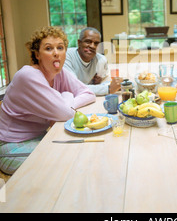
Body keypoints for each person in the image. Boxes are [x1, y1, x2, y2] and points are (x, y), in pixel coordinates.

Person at [0, 26, 96, 175]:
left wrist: (66, 99)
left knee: (82, 151)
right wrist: (66, 95)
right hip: (12, 148)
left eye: (60, 47)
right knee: (67, 162)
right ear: (37, 54)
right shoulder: (28, 76)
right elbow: (66, 114)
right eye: (49, 48)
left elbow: (88, 93)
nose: (56, 53)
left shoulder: (60, 73)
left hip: (41, 137)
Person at [64, 27, 121, 96]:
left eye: (96, 43)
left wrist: (99, 83)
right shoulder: (66, 56)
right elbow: (74, 88)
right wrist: (108, 89)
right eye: (88, 41)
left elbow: (105, 82)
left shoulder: (101, 60)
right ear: (79, 43)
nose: (92, 46)